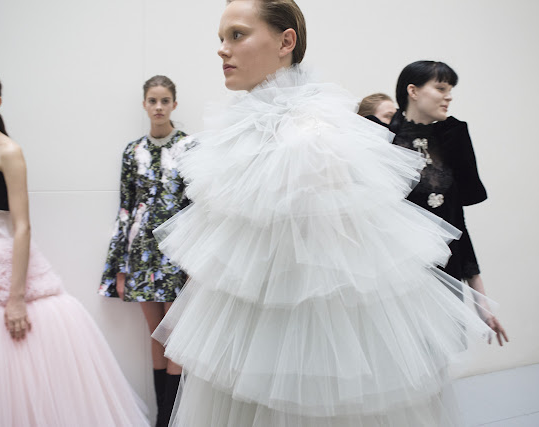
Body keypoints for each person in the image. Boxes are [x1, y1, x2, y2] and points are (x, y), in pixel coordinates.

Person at [152, 1, 497, 425]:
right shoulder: (243, 128)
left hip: (310, 328)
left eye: (237, 35)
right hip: (251, 327)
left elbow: (342, 251)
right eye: (221, 39)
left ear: (286, 41)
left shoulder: (314, 131)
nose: (223, 49)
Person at [0, 65, 149, 426]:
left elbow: (22, 226)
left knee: (11, 361)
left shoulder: (8, 151)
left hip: (0, 257)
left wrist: (17, 297)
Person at [388, 60, 508, 345]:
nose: (449, 96)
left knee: (438, 364)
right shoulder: (384, 139)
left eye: (451, 89)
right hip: (397, 278)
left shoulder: (452, 137)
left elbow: (457, 223)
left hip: (445, 275)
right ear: (413, 91)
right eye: (441, 88)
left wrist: (481, 302)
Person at [99, 75, 193, 427]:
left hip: (177, 253)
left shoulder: (189, 146)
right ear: (144, 104)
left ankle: (171, 418)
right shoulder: (132, 151)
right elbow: (125, 209)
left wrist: (196, 260)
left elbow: (196, 206)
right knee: (155, 336)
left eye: (164, 100)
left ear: (174, 104)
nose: (158, 107)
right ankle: (160, 418)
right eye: (152, 100)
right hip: (141, 254)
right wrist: (119, 267)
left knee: (176, 336)